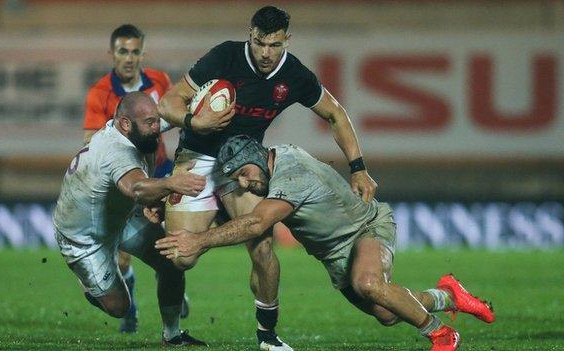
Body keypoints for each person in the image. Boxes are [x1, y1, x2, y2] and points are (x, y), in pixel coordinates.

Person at [157, 6, 377, 350]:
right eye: (260, 43)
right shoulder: (224, 57)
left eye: (274, 45)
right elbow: (168, 103)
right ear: (250, 34)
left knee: (261, 243)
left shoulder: (294, 74)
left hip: (242, 162)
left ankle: (267, 337)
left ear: (286, 40)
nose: (265, 53)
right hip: (198, 155)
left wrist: (358, 167)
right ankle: (171, 330)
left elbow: (335, 113)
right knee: (180, 257)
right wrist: (194, 122)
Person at [155, 135, 495, 351]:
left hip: (366, 229)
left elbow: (257, 221)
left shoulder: (292, 176)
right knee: (388, 313)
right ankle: (450, 295)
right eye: (237, 179)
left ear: (259, 157)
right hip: (335, 255)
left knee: (368, 283)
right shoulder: (275, 162)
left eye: (245, 173)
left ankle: (441, 335)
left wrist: (199, 240)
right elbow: (247, 217)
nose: (244, 183)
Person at [53, 92, 207, 347]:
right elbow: (136, 188)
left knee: (172, 262)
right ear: (125, 124)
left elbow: (173, 113)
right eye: (150, 123)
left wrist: (202, 102)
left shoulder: (136, 127)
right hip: (85, 238)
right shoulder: (117, 151)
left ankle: (172, 336)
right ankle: (88, 282)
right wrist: (170, 183)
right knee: (119, 308)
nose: (157, 129)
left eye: (157, 121)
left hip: (121, 218)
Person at [82, 24, 179, 332]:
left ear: (142, 53)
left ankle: (175, 289)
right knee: (124, 256)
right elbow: (90, 142)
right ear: (112, 53)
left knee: (171, 245)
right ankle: (132, 311)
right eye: (123, 51)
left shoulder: (160, 80)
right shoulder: (100, 92)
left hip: (161, 172)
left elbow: (175, 113)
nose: (129, 58)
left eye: (135, 51)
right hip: (124, 183)